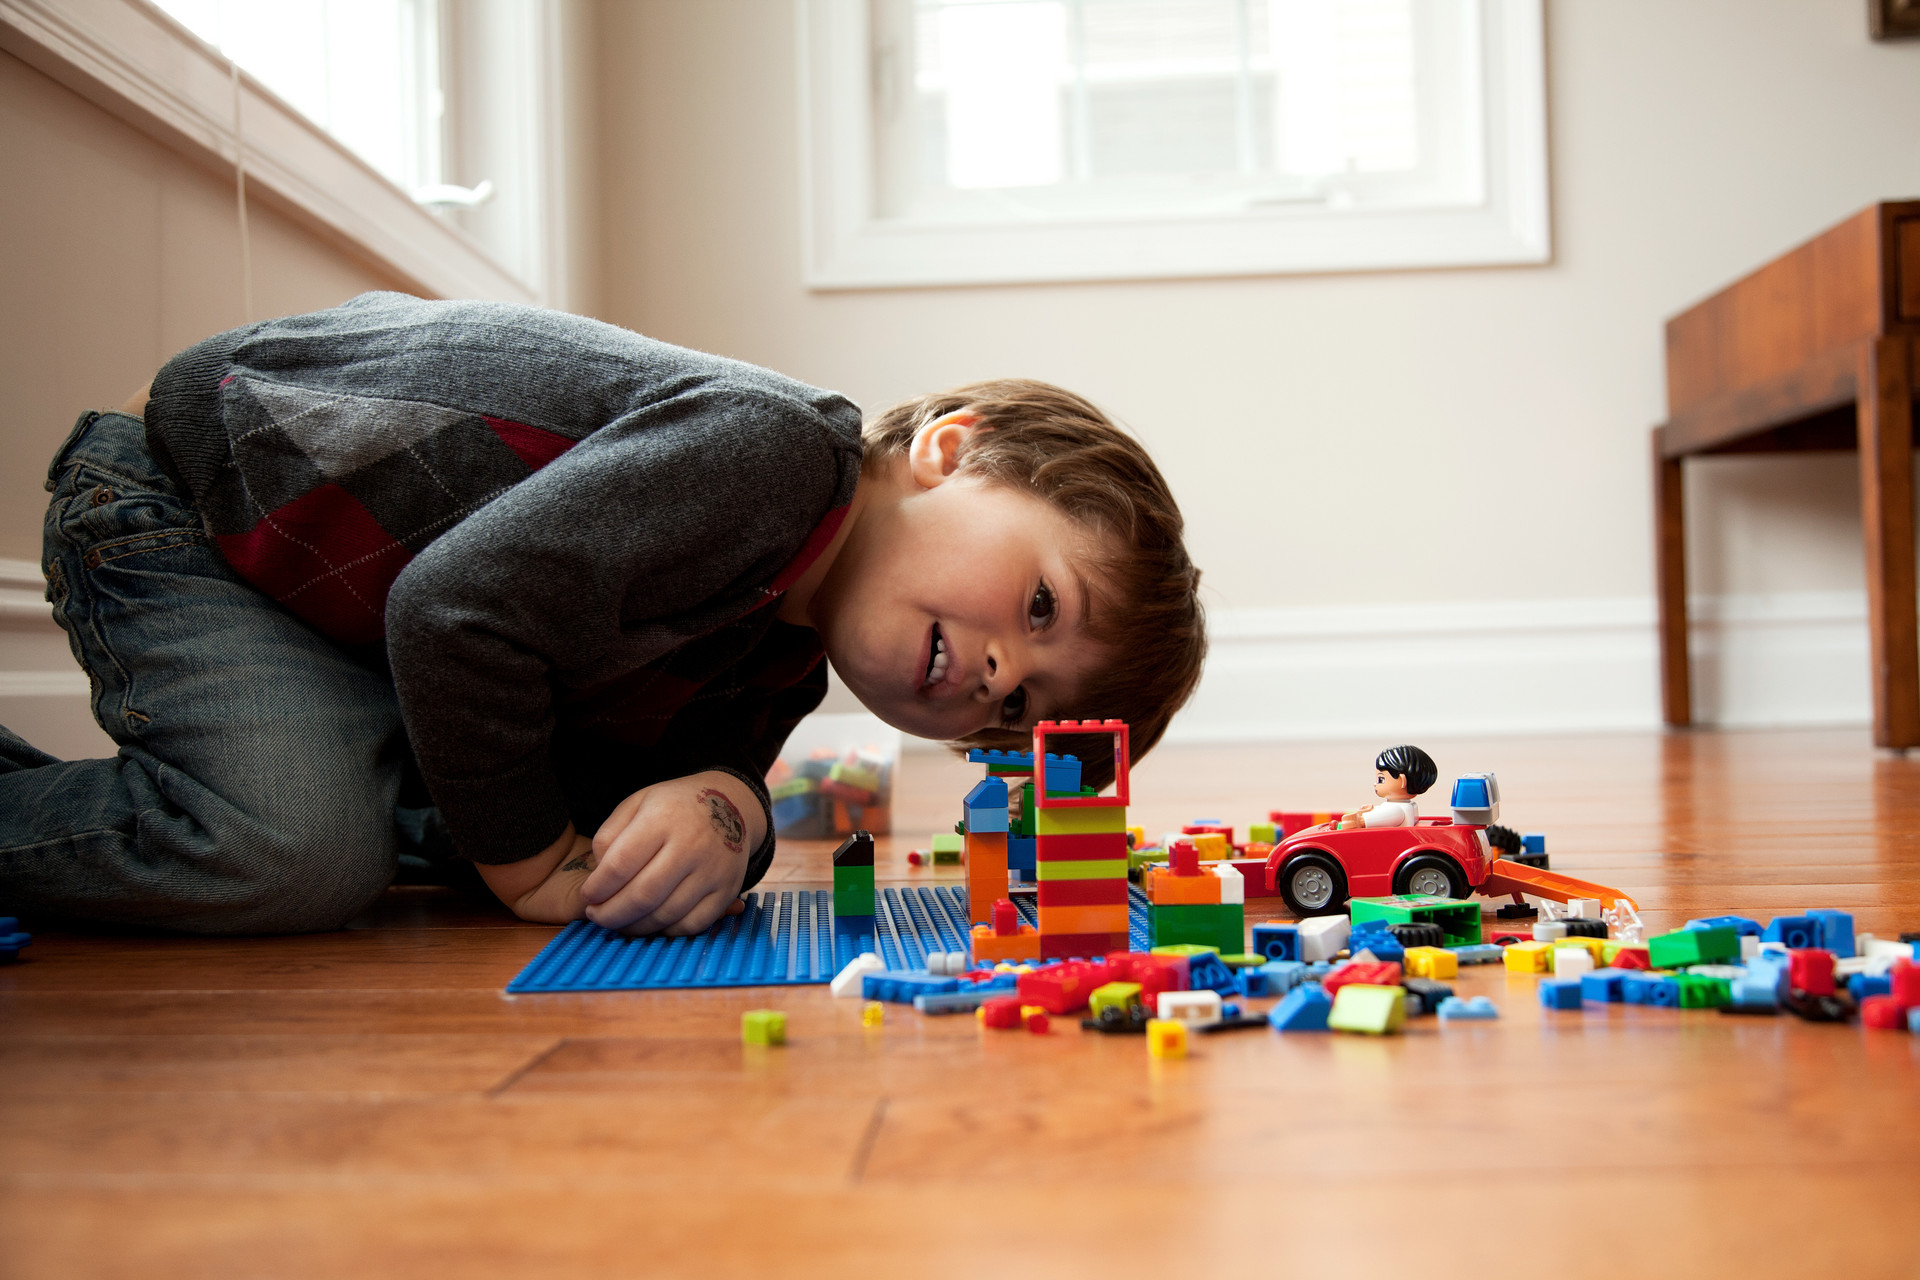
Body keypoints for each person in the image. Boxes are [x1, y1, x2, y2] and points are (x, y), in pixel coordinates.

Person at [0, 293, 1205, 938]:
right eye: (1040, 605)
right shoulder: (778, 461)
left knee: (476, 804)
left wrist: (723, 806)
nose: (997, 674)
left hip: (339, 614)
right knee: (303, 854)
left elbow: (691, 764)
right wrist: (531, 872)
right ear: (952, 450)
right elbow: (456, 612)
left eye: (1022, 707)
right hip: (194, 497)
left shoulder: (788, 651)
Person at [1336, 744, 1437, 831]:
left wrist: (1358, 821)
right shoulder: (1404, 806)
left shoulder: (1397, 811)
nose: (1375, 784)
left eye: (1381, 779)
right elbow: (1383, 813)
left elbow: (1377, 818)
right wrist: (1370, 810)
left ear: (1402, 781)